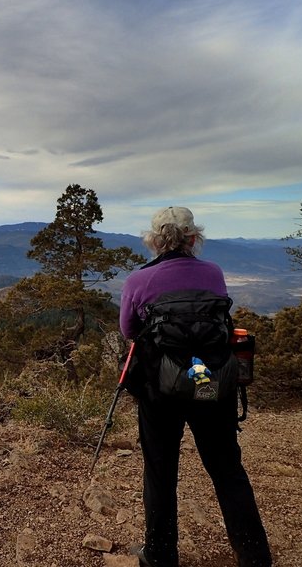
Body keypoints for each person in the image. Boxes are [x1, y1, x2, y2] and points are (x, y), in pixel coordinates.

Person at [119, 207, 271, 567]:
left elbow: (129, 332)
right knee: (227, 471)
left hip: (161, 391)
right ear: (192, 238)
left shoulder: (138, 282)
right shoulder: (213, 273)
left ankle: (159, 556)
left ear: (155, 240)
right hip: (212, 386)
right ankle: (253, 555)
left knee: (160, 473)